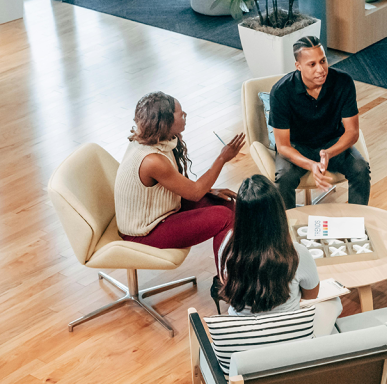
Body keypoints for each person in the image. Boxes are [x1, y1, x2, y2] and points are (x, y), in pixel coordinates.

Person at [114, 91, 245, 278]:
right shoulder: (152, 160)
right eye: (180, 113)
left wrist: (209, 190)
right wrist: (222, 158)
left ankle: (241, 273)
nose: (184, 116)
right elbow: (195, 193)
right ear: (164, 121)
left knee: (227, 204)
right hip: (144, 232)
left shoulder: (157, 141)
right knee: (224, 217)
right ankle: (229, 285)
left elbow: (181, 186)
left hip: (160, 211)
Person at [218, 175, 342, 336]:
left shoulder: (228, 247)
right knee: (334, 302)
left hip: (243, 334)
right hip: (288, 335)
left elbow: (226, 282)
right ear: (278, 213)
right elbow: (311, 295)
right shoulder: (297, 253)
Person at [270, 36, 371, 209]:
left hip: (333, 143)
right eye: (312, 64)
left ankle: (356, 223)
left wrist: (329, 153)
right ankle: (286, 228)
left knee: (361, 170)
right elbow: (283, 146)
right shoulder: (281, 92)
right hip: (297, 145)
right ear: (298, 66)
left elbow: (352, 132)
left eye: (323, 61)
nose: (321, 69)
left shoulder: (343, 82)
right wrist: (311, 164)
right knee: (284, 178)